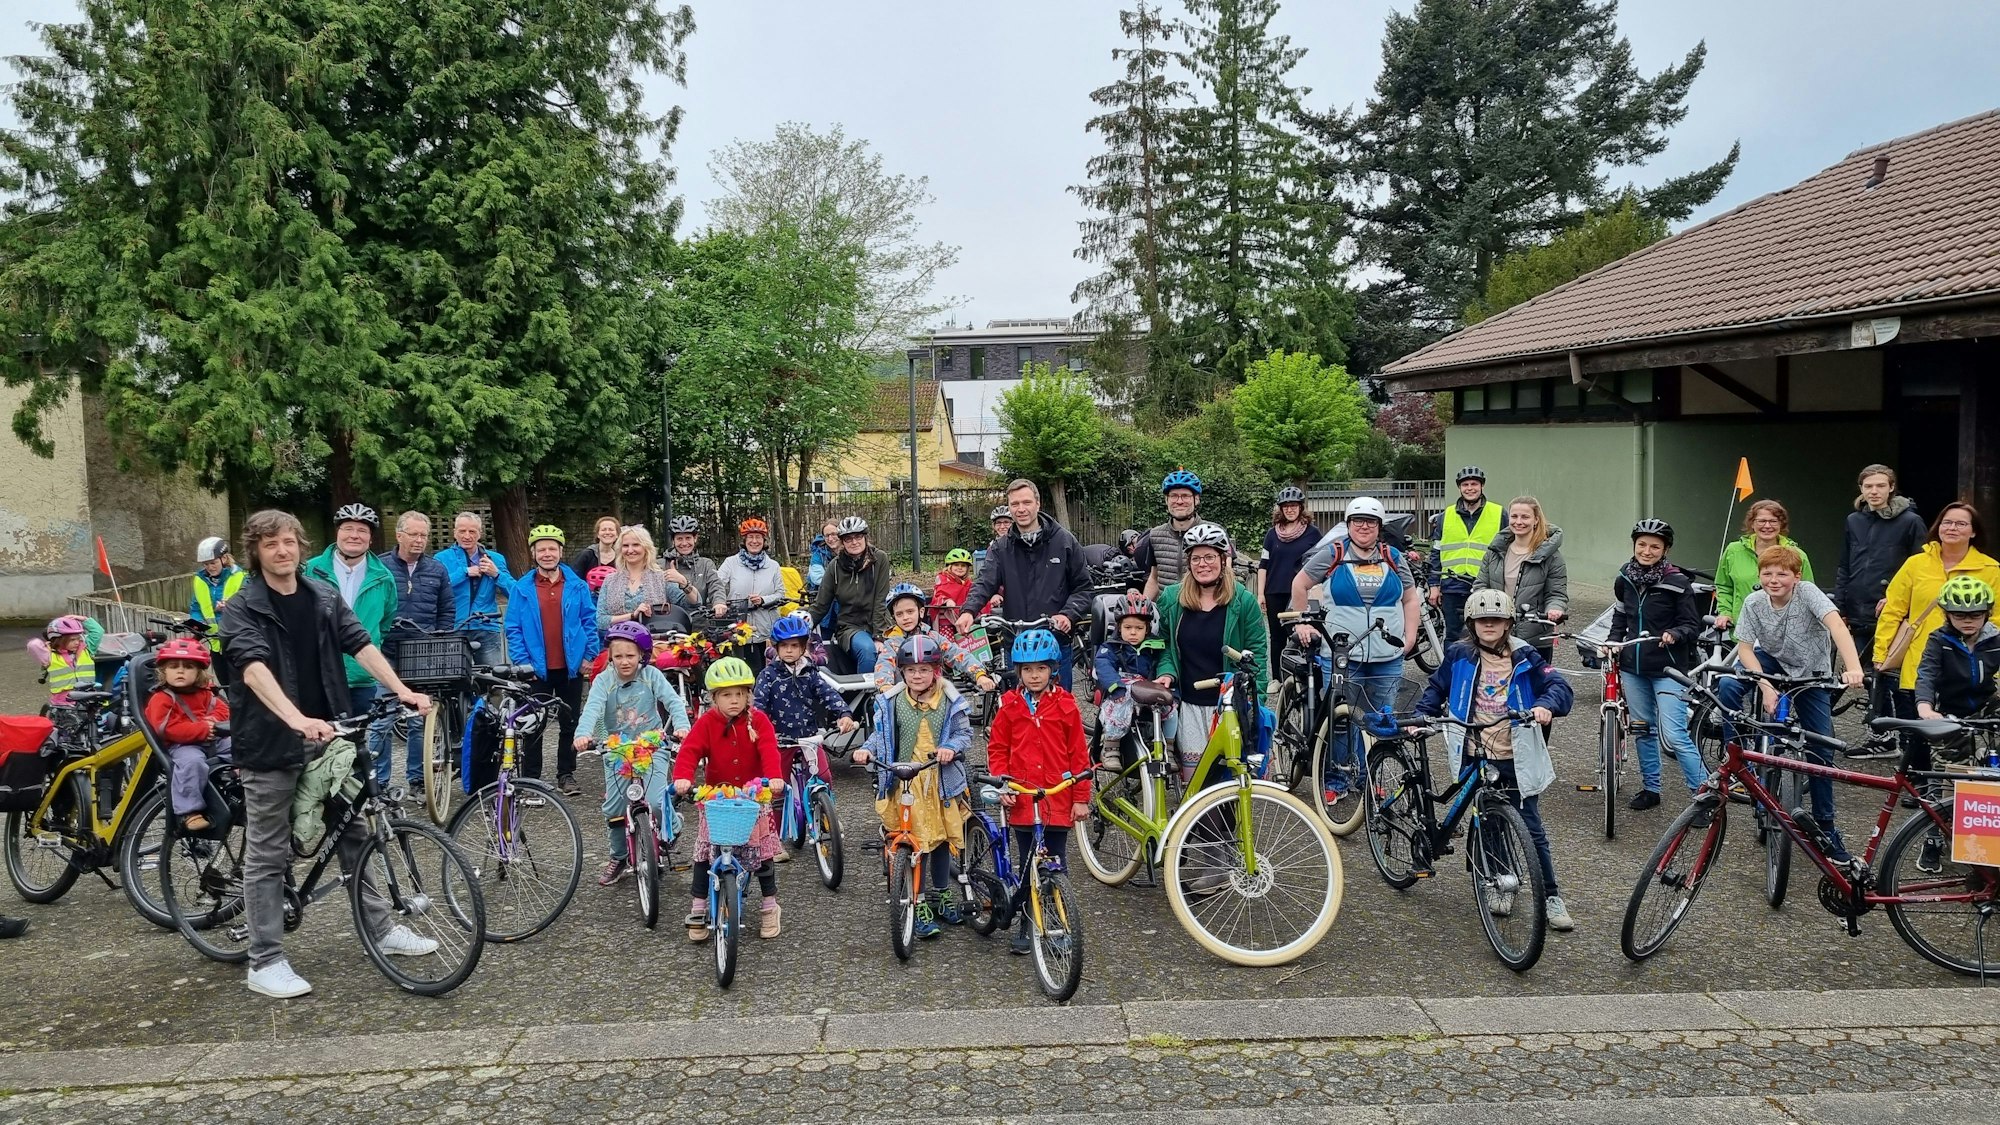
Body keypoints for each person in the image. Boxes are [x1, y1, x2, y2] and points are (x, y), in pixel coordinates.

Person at [220, 508, 434, 999]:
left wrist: (402, 689)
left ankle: (381, 929)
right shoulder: (243, 606)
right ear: (256, 551)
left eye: (289, 541)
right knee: (269, 850)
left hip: (328, 737)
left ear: (301, 546)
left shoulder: (322, 595)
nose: (282, 550)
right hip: (270, 741)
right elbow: (251, 668)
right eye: (270, 543)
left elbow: (360, 643)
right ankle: (264, 960)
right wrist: (294, 718)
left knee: (354, 832)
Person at [1413, 589, 1575, 930]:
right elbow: (1437, 688)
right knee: (1487, 823)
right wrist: (1424, 715)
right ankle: (1500, 881)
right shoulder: (1459, 654)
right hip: (1475, 753)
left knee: (1531, 828)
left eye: (1497, 620)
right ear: (1471, 623)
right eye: (1482, 620)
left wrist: (1545, 706)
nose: (1490, 625)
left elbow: (1558, 686)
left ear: (1509, 623)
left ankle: (1551, 895)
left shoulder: (1524, 655)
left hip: (1515, 756)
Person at [1719, 545, 1867, 854]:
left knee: (1821, 749)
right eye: (1767, 574)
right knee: (1728, 685)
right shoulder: (1754, 602)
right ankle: (1739, 755)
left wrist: (1853, 667)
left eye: (1782, 574)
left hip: (1810, 672)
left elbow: (1837, 626)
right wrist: (1765, 686)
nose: (1774, 580)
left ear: (1797, 577)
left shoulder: (1808, 593)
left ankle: (1826, 827)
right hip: (1770, 661)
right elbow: (1745, 648)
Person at [854, 635, 975, 939]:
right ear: (902, 672)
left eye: (924, 670)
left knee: (942, 840)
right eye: (910, 670)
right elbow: (881, 735)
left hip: (938, 781)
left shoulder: (949, 701)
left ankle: (942, 894)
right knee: (915, 842)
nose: (917, 676)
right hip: (905, 780)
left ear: (936, 671)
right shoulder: (893, 702)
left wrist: (950, 748)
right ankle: (916, 900)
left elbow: (964, 734)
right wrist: (866, 749)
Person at [986, 627, 1093, 954]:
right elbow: (998, 749)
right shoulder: (1009, 706)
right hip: (1022, 797)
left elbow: (1079, 755)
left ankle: (1058, 922)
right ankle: (1027, 918)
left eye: (1041, 668)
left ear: (1053, 669)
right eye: (1028, 669)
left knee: (1056, 861)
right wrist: (1003, 782)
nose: (1035, 676)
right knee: (1027, 861)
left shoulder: (1067, 705)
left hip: (1057, 797)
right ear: (1018, 672)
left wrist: (1081, 798)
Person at [1875, 502, 2000, 777]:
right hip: (1919, 659)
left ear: (1974, 531)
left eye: (1961, 523)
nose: (1952, 528)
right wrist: (1880, 653)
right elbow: (1894, 609)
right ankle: (1920, 788)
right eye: (1947, 522)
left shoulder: (1990, 568)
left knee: (1969, 740)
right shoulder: (1916, 563)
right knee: (1918, 736)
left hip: (1970, 666)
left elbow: (1997, 620)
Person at [672, 657, 784, 941]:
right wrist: (683, 777)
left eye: (739, 694)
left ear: (748, 696)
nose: (734, 700)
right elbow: (689, 750)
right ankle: (698, 907)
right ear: (714, 698)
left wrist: (774, 777)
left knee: (762, 854)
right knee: (704, 854)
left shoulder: (758, 720)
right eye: (726, 695)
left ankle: (769, 905)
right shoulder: (707, 722)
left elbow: (769, 750)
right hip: (717, 799)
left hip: (752, 797)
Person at [576, 621, 692, 886]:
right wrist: (582, 734)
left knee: (656, 801)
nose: (624, 661)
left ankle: (671, 827)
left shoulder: (651, 676)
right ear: (610, 657)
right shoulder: (604, 681)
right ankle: (618, 857)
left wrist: (682, 726)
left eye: (630, 655)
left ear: (642, 654)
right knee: (614, 807)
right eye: (618, 656)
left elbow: (673, 702)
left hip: (652, 746)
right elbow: (592, 709)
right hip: (617, 749)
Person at [1607, 518, 1707, 812]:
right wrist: (1612, 641)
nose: (1647, 551)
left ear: (1665, 550)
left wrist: (1675, 634)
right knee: (1643, 730)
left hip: (1667, 669)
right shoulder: (1625, 577)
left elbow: (1692, 625)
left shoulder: (1677, 583)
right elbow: (1621, 615)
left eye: (1654, 546)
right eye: (1642, 545)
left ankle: (1704, 796)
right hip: (1633, 667)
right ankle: (1651, 789)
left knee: (1675, 735)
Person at [1290, 497, 1420, 722]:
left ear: (1379, 526)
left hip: (1387, 658)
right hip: (1343, 656)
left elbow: (1410, 599)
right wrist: (1303, 623)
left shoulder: (1392, 557)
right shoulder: (1334, 554)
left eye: (1371, 521)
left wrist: (1410, 638)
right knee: (1343, 724)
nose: (1364, 526)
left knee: (1382, 723)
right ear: (1349, 524)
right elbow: (1299, 584)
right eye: (1358, 520)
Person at [1157, 524, 1270, 780]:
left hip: (1229, 705)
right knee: (1196, 784)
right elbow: (1161, 644)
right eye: (1196, 558)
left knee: (1233, 780)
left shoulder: (1243, 602)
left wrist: (1256, 701)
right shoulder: (1172, 599)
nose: (1203, 564)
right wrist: (1166, 671)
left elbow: (1257, 655)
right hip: (1190, 706)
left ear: (1223, 559)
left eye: (1209, 557)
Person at [957, 480, 1094, 689]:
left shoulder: (1064, 541)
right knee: (1017, 704)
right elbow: (985, 581)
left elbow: (1084, 587)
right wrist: (968, 610)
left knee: (1058, 704)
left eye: (1026, 502)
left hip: (1055, 641)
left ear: (1038, 504)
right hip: (1016, 643)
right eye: (1015, 504)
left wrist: (1068, 614)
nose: (1021, 509)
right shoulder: (1001, 547)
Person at [1833, 464, 1928, 757]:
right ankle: (1881, 739)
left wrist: (1899, 599)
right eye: (1868, 486)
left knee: (1899, 680)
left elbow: (1922, 569)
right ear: (1861, 489)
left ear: (1891, 488)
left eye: (1880, 486)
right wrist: (1841, 605)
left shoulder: (1911, 521)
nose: (1874, 491)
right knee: (1872, 679)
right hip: (1859, 609)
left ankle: (1911, 743)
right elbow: (1845, 565)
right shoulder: (1853, 520)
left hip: (1895, 613)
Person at [301, 504, 399, 784]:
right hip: (319, 673)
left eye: (362, 530)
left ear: (370, 538)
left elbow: (385, 621)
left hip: (361, 675)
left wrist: (368, 643)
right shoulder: (311, 570)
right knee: (320, 742)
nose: (354, 535)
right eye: (348, 528)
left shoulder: (383, 577)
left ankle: (371, 795)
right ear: (337, 532)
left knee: (367, 742)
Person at [503, 524, 601, 795]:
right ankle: (531, 778)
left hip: (571, 667)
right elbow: (513, 628)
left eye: (552, 549)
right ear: (533, 553)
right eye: (541, 549)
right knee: (533, 724)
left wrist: (589, 655)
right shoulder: (522, 588)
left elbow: (589, 621)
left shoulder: (577, 585)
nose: (547, 554)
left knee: (570, 723)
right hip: (536, 669)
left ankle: (566, 774)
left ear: (560, 551)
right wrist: (523, 663)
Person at [378, 511, 454, 790]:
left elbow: (447, 610)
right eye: (414, 534)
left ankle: (418, 780)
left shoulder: (437, 569)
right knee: (381, 721)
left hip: (422, 655)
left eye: (424, 535)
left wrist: (438, 640)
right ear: (399, 535)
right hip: (385, 654)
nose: (419, 540)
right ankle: (379, 784)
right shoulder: (380, 567)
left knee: (420, 721)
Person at [753, 614, 858, 788]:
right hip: (780, 740)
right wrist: (757, 728)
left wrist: (844, 713)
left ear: (803, 647)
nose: (789, 650)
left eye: (794, 645)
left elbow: (827, 693)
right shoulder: (768, 675)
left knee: (824, 778)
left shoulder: (810, 672)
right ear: (776, 647)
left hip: (809, 737)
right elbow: (758, 705)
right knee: (777, 786)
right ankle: (778, 807)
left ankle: (822, 805)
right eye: (784, 645)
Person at [143, 637, 233, 833]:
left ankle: (243, 781)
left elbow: (223, 710)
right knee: (192, 764)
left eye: (188, 667)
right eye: (174, 666)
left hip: (214, 740)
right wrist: (202, 730)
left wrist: (212, 721)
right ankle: (189, 812)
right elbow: (166, 728)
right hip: (182, 746)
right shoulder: (162, 698)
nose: (181, 671)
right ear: (163, 671)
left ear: (199, 672)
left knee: (244, 747)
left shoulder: (206, 693)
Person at [1473, 496, 1568, 661]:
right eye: (1514, 516)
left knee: (1533, 678)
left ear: (1536, 520)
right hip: (1497, 633)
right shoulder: (1495, 552)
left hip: (1534, 636)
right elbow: (1481, 585)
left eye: (1525, 517)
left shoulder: (1551, 556)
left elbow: (1556, 593)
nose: (1518, 522)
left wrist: (1555, 609)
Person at [810, 516, 894, 676]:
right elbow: (821, 605)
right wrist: (803, 624)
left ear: (865, 537)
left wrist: (878, 635)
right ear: (842, 542)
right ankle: (865, 692)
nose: (854, 542)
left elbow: (880, 600)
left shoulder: (880, 559)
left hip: (881, 623)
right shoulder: (835, 567)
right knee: (867, 651)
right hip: (850, 626)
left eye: (858, 537)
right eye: (848, 539)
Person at [873, 583, 996, 692]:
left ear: (921, 612)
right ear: (894, 618)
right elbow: (884, 663)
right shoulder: (893, 643)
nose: (905, 617)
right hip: (905, 698)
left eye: (910, 612)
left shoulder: (932, 637)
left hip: (935, 697)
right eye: (899, 614)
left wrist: (979, 674)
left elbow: (956, 654)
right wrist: (885, 685)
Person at [1714, 500, 1814, 633]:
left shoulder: (1797, 555)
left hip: (1783, 634)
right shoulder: (1733, 551)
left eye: (1773, 521)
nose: (1767, 526)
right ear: (1752, 523)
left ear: (1781, 524)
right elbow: (1724, 586)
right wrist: (1725, 613)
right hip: (1743, 630)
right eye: (1761, 521)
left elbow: (1808, 593)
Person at [1094, 593, 1168, 768]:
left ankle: (1168, 747)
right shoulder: (1111, 647)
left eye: (1139, 628)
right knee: (1120, 702)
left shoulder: (1156, 647)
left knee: (1171, 707)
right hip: (1121, 690)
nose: (1133, 632)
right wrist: (1115, 686)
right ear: (1119, 628)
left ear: (1147, 629)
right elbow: (1103, 665)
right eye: (1128, 627)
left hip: (1148, 692)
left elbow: (1163, 665)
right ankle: (1111, 746)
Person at [1429, 466, 1501, 644]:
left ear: (1482, 486)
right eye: (1465, 484)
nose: (1470, 488)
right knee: (1454, 636)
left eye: (1474, 484)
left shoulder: (1499, 514)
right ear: (1459, 488)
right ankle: (1454, 664)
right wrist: (1434, 585)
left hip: (1485, 584)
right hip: (1452, 585)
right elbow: (1436, 552)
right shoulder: (1445, 516)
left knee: (1486, 635)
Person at [1257, 485, 1325, 673]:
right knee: (1277, 638)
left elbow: (1321, 564)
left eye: (1294, 505)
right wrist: (1260, 594)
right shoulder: (1272, 534)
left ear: (1301, 507)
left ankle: (1301, 678)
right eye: (1286, 506)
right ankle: (1277, 679)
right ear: (1280, 509)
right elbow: (1263, 565)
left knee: (1302, 635)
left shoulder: (1313, 533)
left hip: (1302, 593)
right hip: (1275, 592)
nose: (1290, 509)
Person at [1916, 576, 2000, 720]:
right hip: (1949, 709)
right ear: (1947, 615)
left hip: (1988, 706)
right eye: (1959, 615)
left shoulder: (1996, 639)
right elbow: (1927, 674)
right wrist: (1925, 708)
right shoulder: (1939, 640)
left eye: (1976, 615)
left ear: (1987, 614)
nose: (1968, 621)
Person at [713, 517, 789, 673]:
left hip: (765, 627)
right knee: (740, 671)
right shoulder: (731, 563)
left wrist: (763, 600)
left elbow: (781, 594)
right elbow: (717, 586)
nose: (754, 541)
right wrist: (721, 603)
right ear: (744, 540)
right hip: (739, 626)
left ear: (764, 540)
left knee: (765, 670)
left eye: (758, 537)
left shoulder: (773, 566)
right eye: (751, 537)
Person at [439, 512, 514, 665]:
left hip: (486, 627)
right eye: (462, 531)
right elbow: (437, 588)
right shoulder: (442, 558)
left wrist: (496, 574)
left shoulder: (495, 559)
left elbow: (514, 593)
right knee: (455, 677)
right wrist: (464, 572)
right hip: (454, 627)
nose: (467, 536)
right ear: (454, 532)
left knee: (492, 676)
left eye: (472, 531)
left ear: (480, 533)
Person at [1137, 469, 1204, 601]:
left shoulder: (1213, 532)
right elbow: (1154, 578)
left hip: (1200, 608)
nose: (1179, 501)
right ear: (1166, 500)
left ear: (1196, 499)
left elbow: (1226, 577)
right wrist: (1144, 605)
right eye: (1174, 496)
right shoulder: (1155, 535)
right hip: (1166, 609)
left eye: (1185, 496)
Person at [597, 524, 676, 633]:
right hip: (618, 641)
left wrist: (684, 583)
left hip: (654, 640)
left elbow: (690, 604)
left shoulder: (661, 578)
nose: (630, 550)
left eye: (636, 545)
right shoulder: (610, 580)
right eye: (625, 545)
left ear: (646, 547)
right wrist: (632, 615)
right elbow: (600, 621)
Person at [189, 536, 245, 682]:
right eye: (206, 564)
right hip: (215, 645)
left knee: (242, 687)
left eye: (213, 563)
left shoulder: (241, 577)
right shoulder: (200, 580)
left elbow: (251, 606)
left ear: (224, 558)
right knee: (225, 685)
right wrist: (198, 622)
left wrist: (231, 607)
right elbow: (196, 608)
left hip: (237, 643)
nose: (209, 567)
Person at [663, 515, 720, 609]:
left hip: (700, 616)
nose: (684, 543)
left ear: (695, 538)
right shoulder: (661, 565)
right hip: (669, 617)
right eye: (679, 539)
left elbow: (716, 587)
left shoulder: (706, 564)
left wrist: (719, 603)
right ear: (673, 541)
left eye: (688, 538)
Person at [40, 615, 95, 705]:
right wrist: (48, 645)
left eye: (78, 639)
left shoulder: (87, 649)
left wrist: (84, 619)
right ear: (58, 640)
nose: (77, 642)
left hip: (86, 696)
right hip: (63, 700)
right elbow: (33, 645)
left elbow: (98, 632)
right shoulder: (49, 655)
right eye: (72, 640)